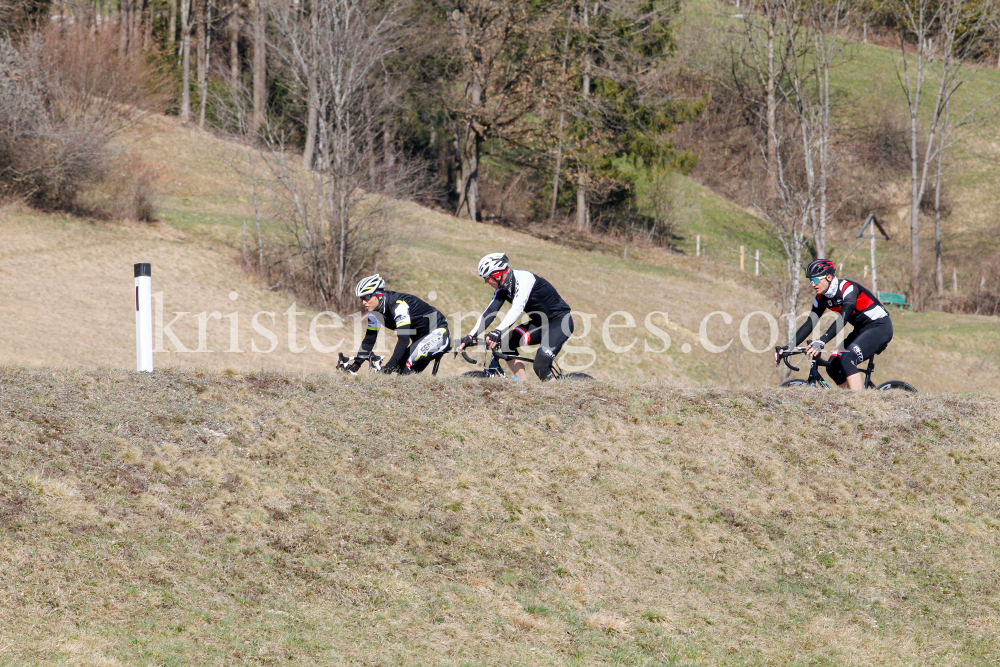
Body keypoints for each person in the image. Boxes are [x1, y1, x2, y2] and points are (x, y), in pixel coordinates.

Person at [775, 258, 893, 390]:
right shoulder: (821, 298)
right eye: (810, 281)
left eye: (815, 280)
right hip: (861, 330)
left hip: (880, 327)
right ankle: (851, 400)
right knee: (833, 367)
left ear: (829, 277)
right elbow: (810, 323)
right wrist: (788, 347)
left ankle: (860, 402)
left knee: (848, 357)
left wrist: (822, 340)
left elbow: (842, 319)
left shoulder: (847, 288)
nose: (813, 284)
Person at [457, 253, 574, 381]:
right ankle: (524, 388)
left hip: (560, 322)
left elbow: (517, 308)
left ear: (497, 275)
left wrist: (497, 331)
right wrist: (470, 336)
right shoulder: (502, 288)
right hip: (539, 324)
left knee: (540, 365)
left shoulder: (525, 279)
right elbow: (489, 312)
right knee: (507, 344)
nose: (486, 282)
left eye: (487, 278)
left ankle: (556, 397)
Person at [348, 274, 451, 374]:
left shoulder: (398, 306)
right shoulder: (374, 313)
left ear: (378, 295)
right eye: (362, 299)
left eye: (366, 297)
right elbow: (369, 340)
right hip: (420, 338)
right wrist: (357, 364)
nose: (364, 302)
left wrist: (389, 367)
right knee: (401, 371)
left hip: (439, 334)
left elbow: (403, 339)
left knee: (405, 365)